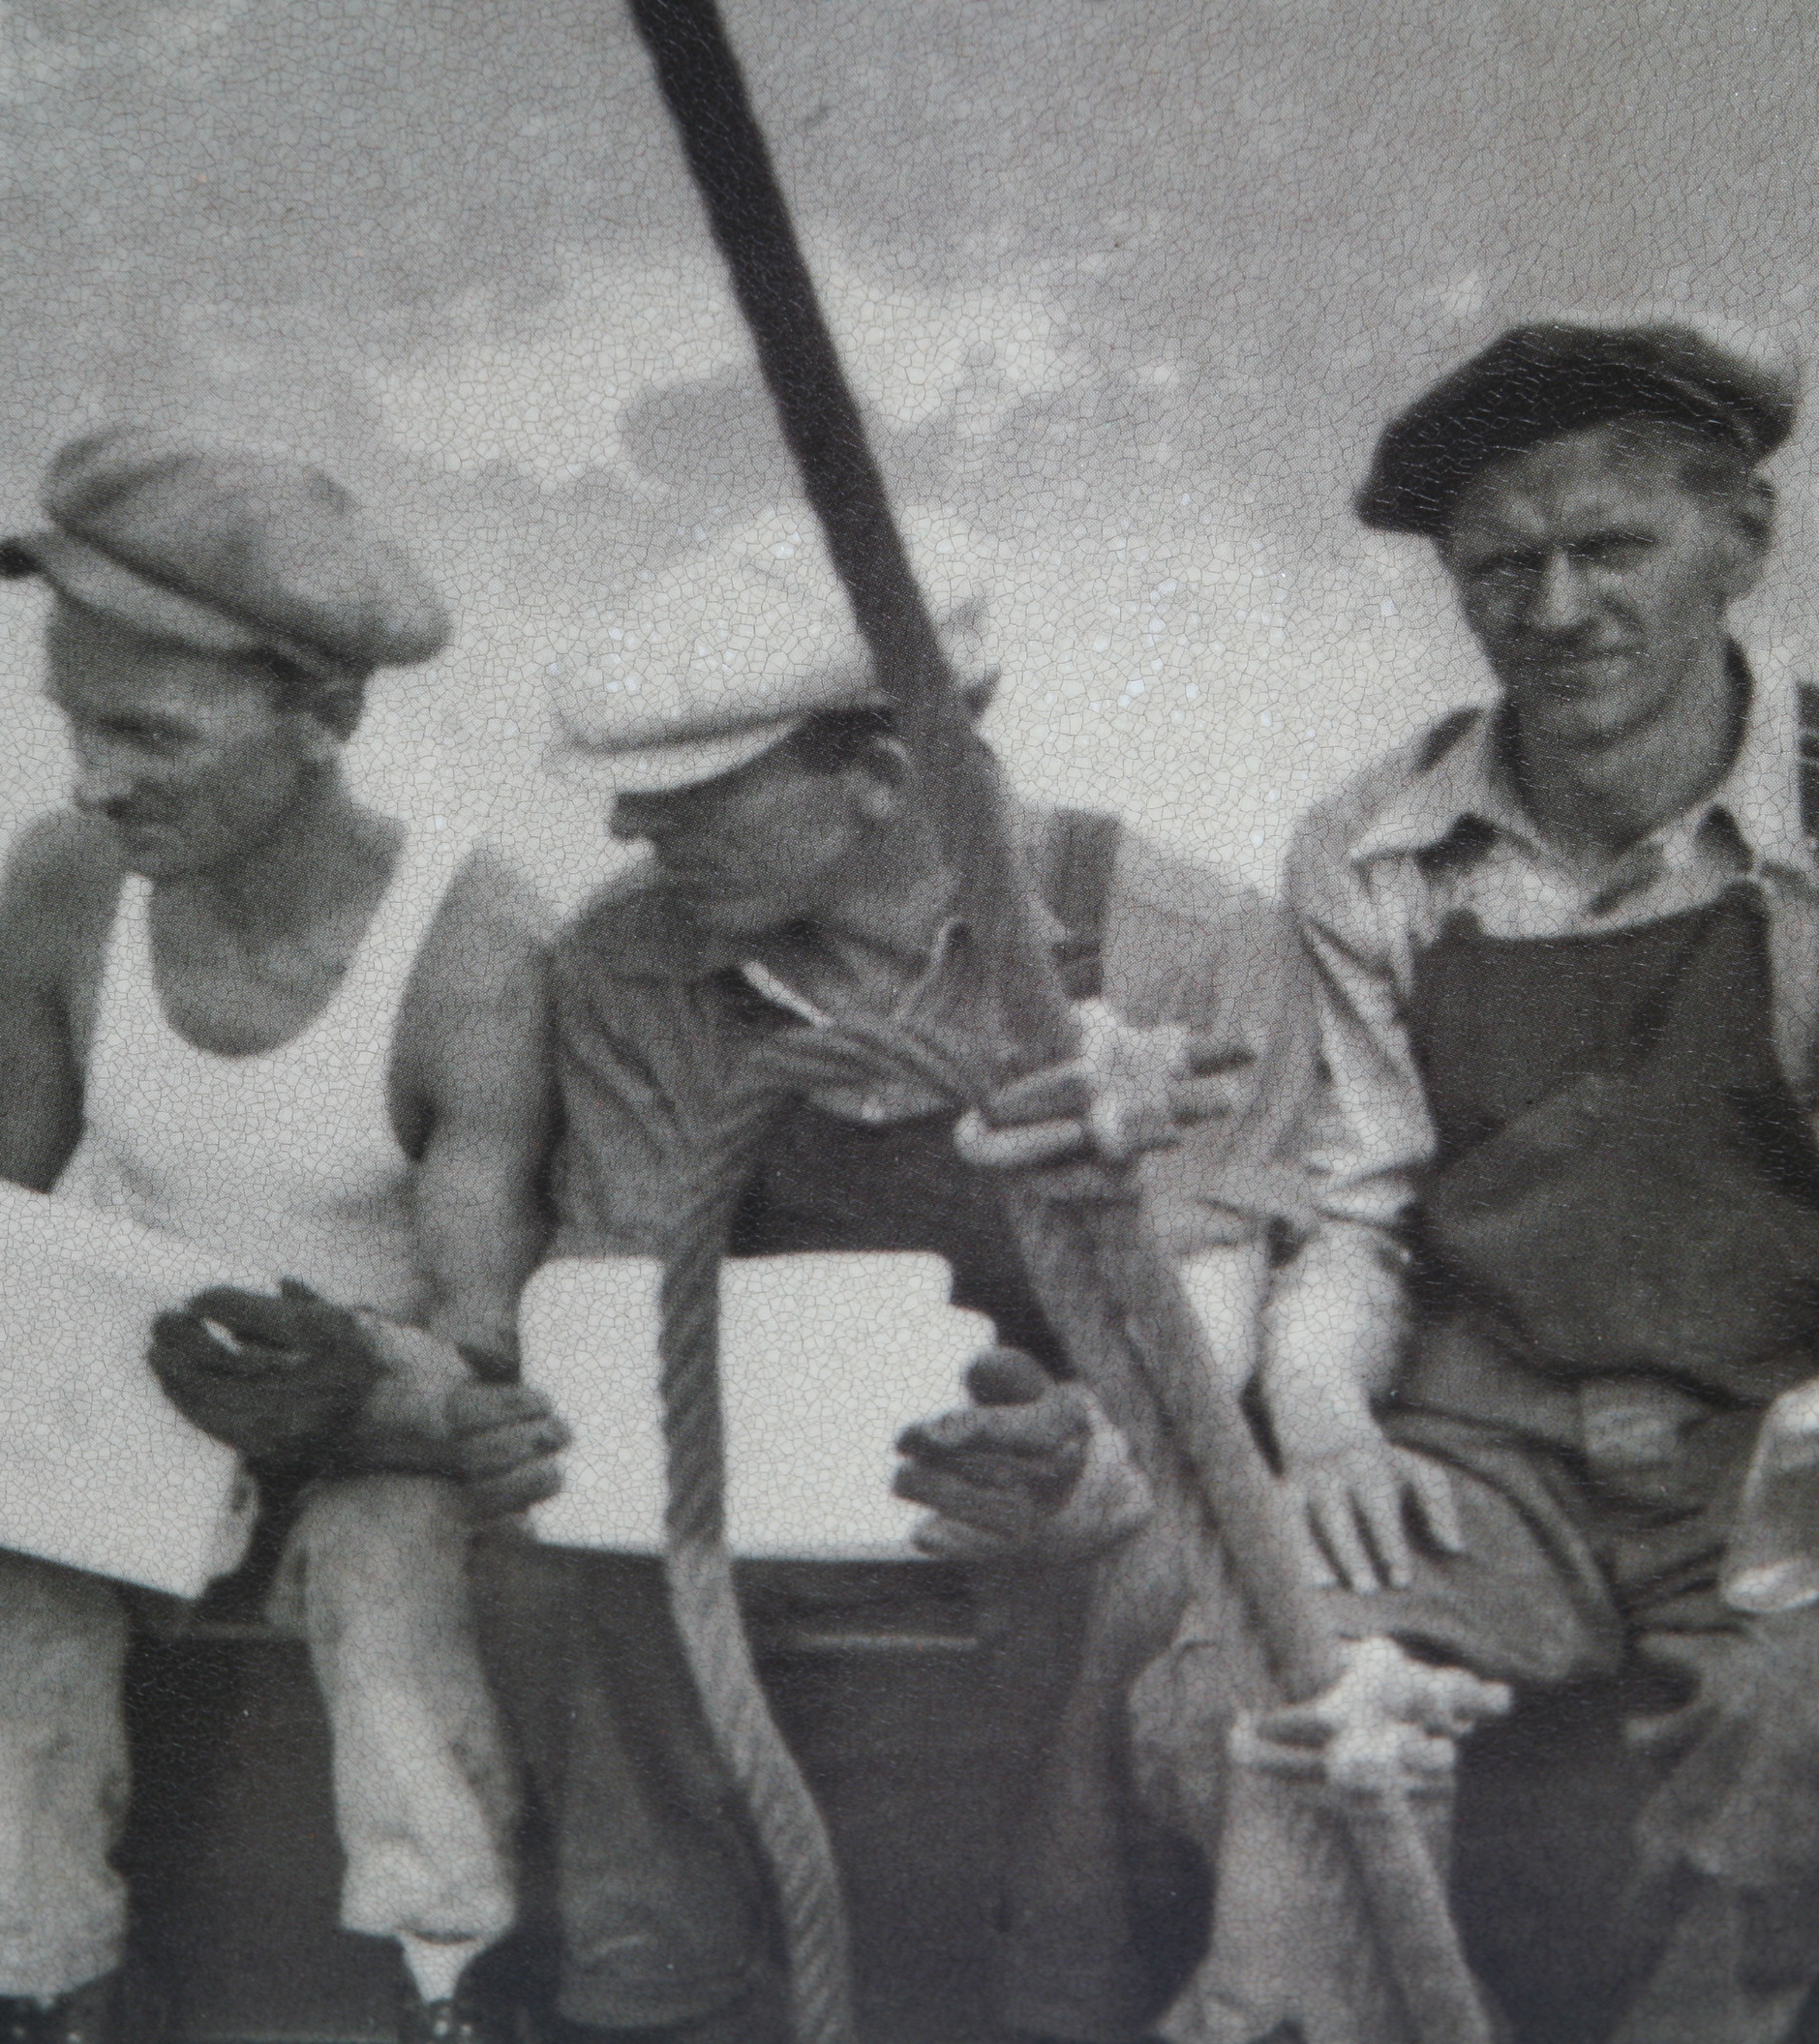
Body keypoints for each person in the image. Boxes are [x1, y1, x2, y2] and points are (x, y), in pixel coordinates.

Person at [917, 318, 1819, 2044]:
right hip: (1500, 1438)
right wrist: (1323, 1427)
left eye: (1612, 548)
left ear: (1742, 541)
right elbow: (1359, 1208)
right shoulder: (1378, 839)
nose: (1558, 612)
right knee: (1258, 1691)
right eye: (1502, 569)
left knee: (1806, 1740)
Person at [475, 509, 1319, 2044]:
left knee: (1131, 1566)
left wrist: (1080, 1459)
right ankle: (651, 2005)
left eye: (686, 801)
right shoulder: (629, 963)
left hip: (1091, 1457)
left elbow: (1207, 1325)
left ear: (884, 777)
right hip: (769, 1461)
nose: (629, 839)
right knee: (569, 1544)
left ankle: (1058, 2010)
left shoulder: (1183, 942)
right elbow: (629, 1294)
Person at [0, 429, 568, 2044]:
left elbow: (488, 1343)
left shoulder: (471, 948)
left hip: (370, 1439)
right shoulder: (65, 886)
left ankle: (447, 1982)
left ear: (323, 716)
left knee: (393, 1556)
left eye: (147, 734)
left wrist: (352, 1385)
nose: (91, 779)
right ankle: (41, 1984)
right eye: (72, 723)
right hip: (133, 1429)